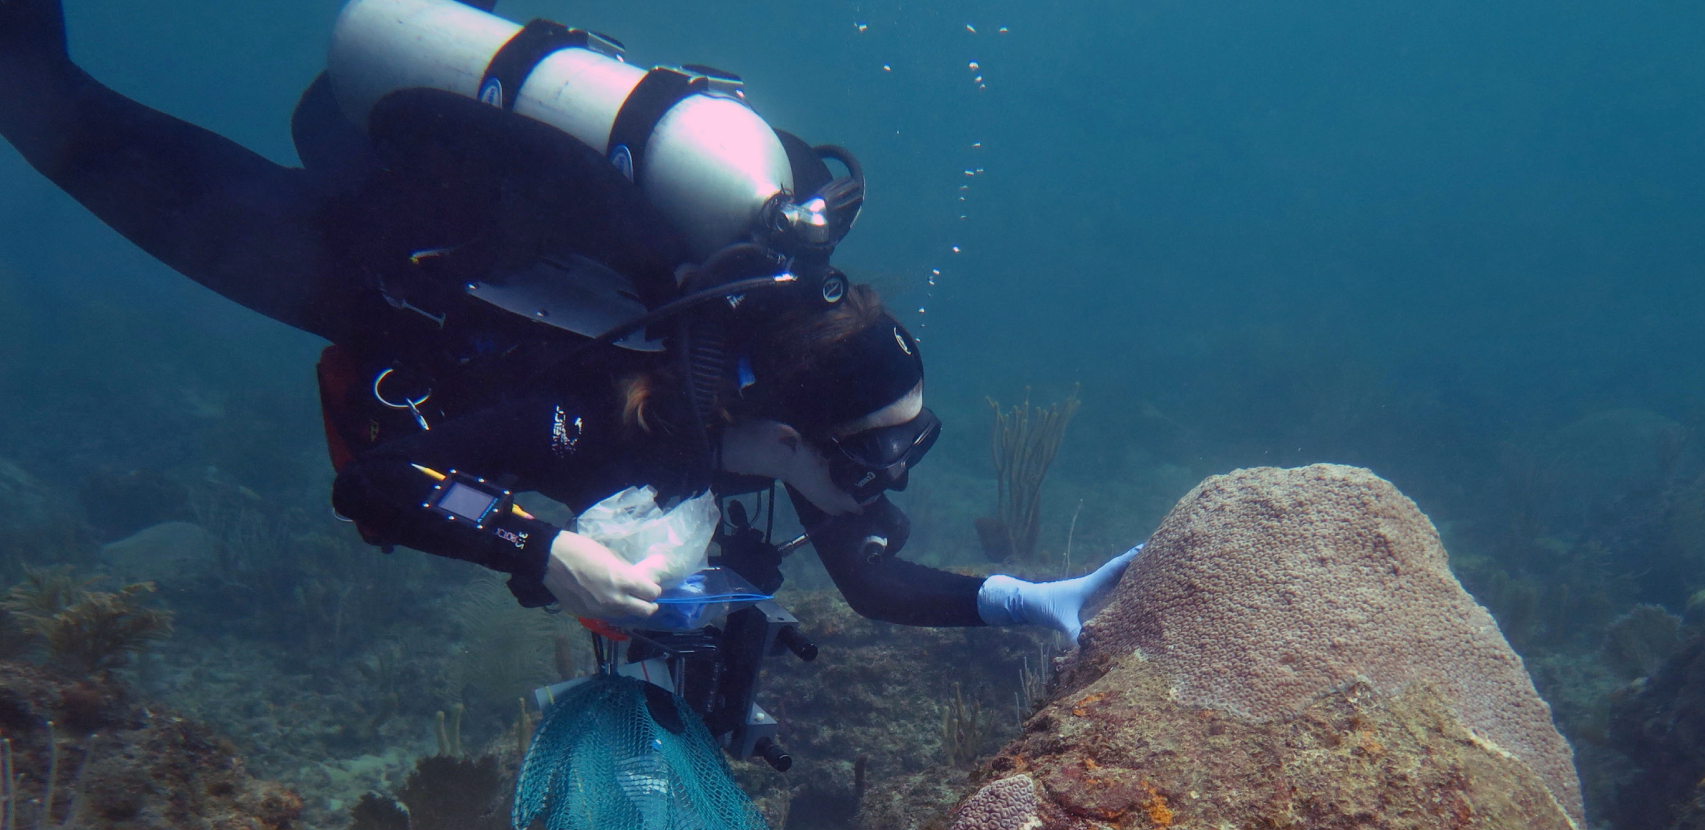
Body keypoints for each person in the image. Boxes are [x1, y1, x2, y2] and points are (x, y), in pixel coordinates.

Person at [0, 0, 1137, 636]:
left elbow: (874, 582)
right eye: (871, 468)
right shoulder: (585, 394)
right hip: (354, 260)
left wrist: (1027, 601)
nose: (880, 495)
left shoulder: (774, 394)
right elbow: (378, 482)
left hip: (466, 205)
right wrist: (547, 550)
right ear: (786, 436)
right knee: (52, 112)